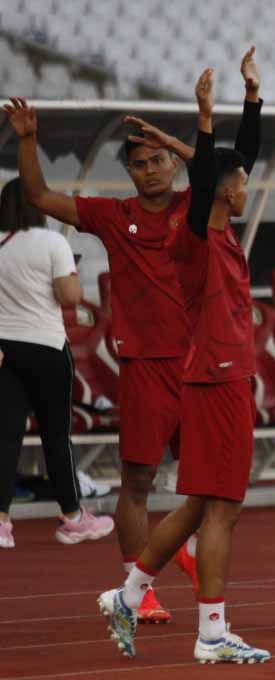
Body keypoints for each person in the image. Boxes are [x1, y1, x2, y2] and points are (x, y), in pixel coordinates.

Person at [5, 94, 203, 622]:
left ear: (173, 163)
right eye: (138, 164)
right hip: (144, 368)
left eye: (156, 159)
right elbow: (39, 193)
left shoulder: (196, 205)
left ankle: (179, 547)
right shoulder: (114, 216)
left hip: (202, 366)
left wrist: (172, 137)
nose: (148, 170)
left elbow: (223, 171)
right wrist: (28, 140)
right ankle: (140, 592)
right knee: (137, 484)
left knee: (211, 485)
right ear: (130, 174)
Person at [98, 58, 270, 664]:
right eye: (242, 181)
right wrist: (199, 119)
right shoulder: (194, 236)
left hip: (218, 378)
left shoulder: (219, 228)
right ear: (224, 190)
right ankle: (212, 633)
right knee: (224, 510)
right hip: (216, 382)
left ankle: (128, 594)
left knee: (199, 503)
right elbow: (210, 174)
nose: (248, 184)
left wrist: (251, 98)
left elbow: (236, 155)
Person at [0, 178, 114, 549]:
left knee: (5, 436)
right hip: (47, 347)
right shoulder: (53, 242)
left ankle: (1, 522)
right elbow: (69, 296)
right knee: (55, 436)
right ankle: (72, 517)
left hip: (5, 349)